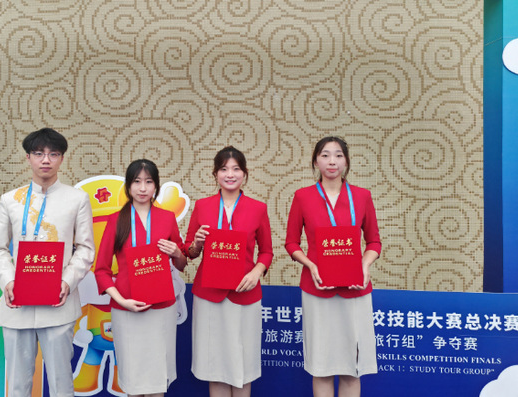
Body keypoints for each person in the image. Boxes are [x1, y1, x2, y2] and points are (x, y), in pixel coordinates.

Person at [0, 127, 95, 397]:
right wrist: (8, 280)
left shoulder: (77, 199)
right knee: (18, 385)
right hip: (17, 304)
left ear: (62, 158)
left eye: (53, 154)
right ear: (28, 158)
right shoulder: (10, 200)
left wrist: (67, 281)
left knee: (61, 384)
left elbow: (85, 248)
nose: (46, 160)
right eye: (39, 153)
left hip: (58, 304)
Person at [284, 136, 382, 397]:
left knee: (352, 368)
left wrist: (365, 264)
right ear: (316, 161)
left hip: (355, 290)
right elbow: (291, 243)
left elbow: (374, 241)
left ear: (346, 161)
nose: (332, 161)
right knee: (322, 367)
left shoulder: (362, 196)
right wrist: (310, 264)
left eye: (338, 155)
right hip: (317, 289)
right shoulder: (303, 197)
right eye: (325, 155)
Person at [184, 146, 273, 397]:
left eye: (236, 169)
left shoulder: (258, 208)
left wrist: (256, 272)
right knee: (216, 365)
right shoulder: (203, 206)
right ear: (215, 174)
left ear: (244, 173)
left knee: (243, 363)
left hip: (245, 293)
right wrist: (197, 243)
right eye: (224, 169)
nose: (230, 174)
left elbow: (267, 251)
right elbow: (189, 251)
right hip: (209, 295)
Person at [94, 159, 187, 397]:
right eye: (137, 182)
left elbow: (181, 263)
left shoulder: (167, 218)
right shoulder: (116, 220)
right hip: (127, 308)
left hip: (162, 308)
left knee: (157, 378)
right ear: (128, 186)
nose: (143, 188)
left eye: (148, 182)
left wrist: (177, 253)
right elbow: (101, 270)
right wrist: (121, 300)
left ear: (156, 186)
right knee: (133, 378)